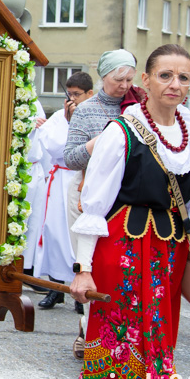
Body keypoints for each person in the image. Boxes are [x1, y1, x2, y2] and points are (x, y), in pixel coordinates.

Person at [71, 44, 190, 379]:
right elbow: (94, 205)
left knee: (160, 333)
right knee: (120, 333)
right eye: (165, 75)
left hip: (171, 250)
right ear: (147, 80)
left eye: (184, 77)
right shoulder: (122, 130)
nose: (175, 84)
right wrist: (83, 267)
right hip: (122, 247)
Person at [64, 49, 138, 334]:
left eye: (129, 79)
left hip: (125, 195)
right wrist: (102, 142)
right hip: (87, 192)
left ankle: (118, 325)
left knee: (119, 265)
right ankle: (89, 324)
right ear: (103, 76)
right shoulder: (86, 109)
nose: (124, 86)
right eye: (118, 79)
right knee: (88, 262)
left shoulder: (138, 106)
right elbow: (70, 157)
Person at [26, 72, 94, 309]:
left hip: (83, 179)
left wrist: (76, 121)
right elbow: (53, 147)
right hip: (59, 179)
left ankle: (80, 290)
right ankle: (56, 288)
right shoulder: (59, 117)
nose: (73, 100)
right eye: (70, 94)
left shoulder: (94, 117)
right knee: (54, 233)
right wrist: (66, 121)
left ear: (90, 95)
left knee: (76, 235)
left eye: (78, 95)